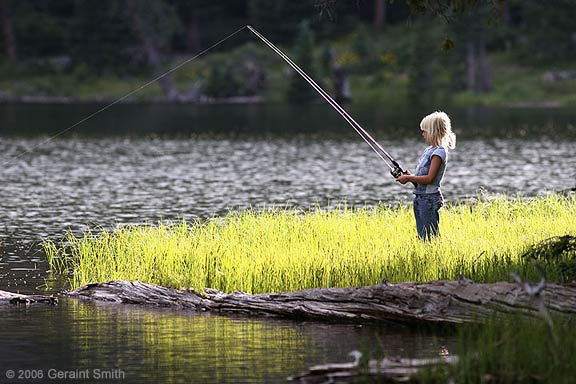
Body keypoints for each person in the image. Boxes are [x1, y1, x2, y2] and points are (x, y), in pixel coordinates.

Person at [396, 111, 456, 240]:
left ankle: (434, 256)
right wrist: (410, 177)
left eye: (425, 131)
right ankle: (425, 256)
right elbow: (422, 180)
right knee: (422, 235)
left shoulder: (439, 153)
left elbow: (430, 178)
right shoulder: (428, 150)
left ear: (433, 131)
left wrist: (409, 178)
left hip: (429, 200)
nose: (423, 134)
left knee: (430, 237)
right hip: (420, 198)